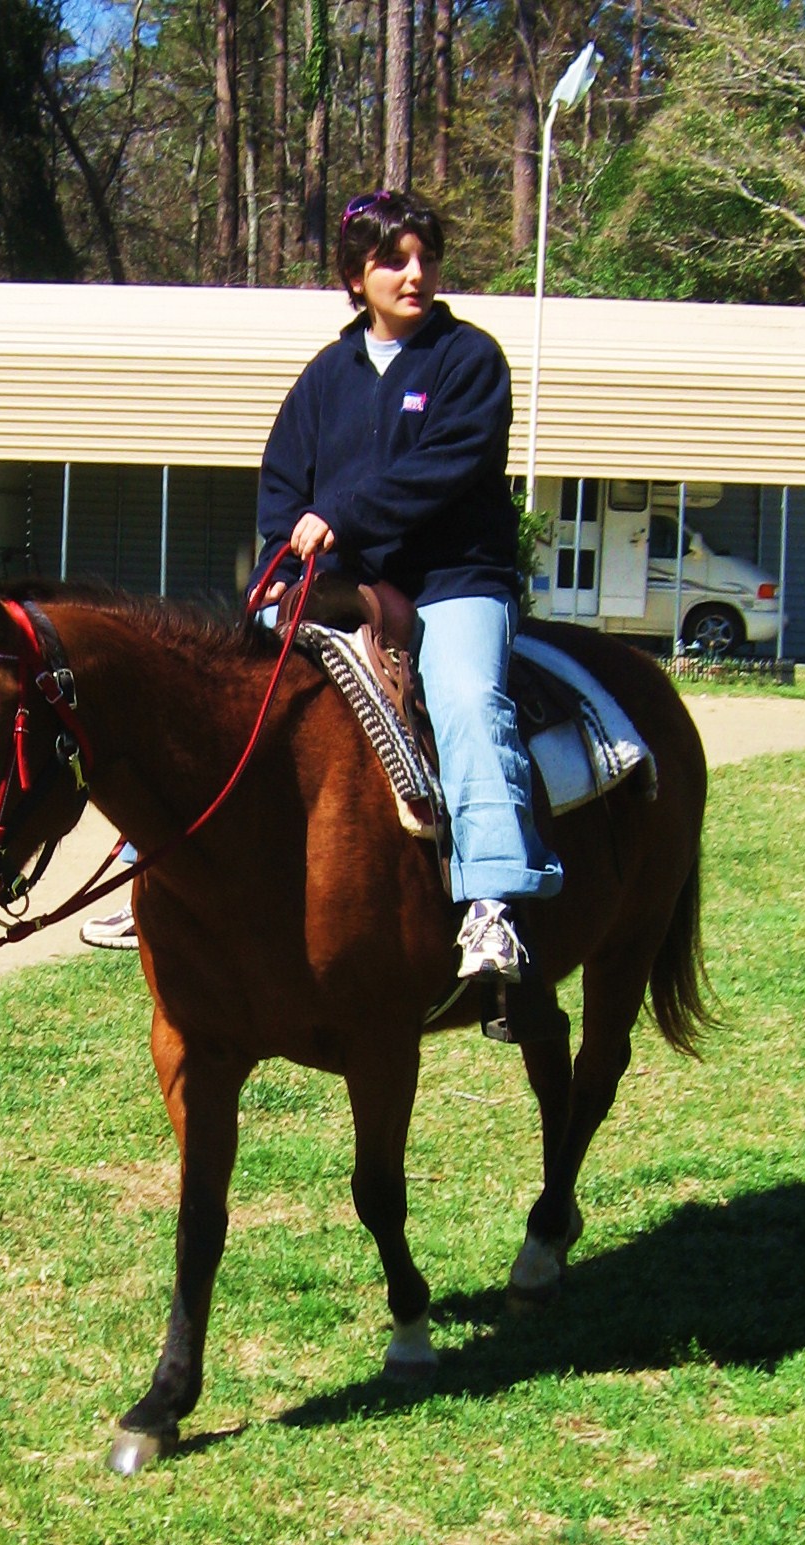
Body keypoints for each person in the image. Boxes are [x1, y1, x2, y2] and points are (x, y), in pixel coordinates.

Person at [249, 188, 561, 984]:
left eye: (425, 258)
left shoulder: (469, 360)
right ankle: (154, 865)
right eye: (393, 260)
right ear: (356, 277)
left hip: (453, 581)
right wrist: (282, 561)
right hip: (345, 580)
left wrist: (340, 517)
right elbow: (282, 484)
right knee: (229, 678)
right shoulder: (325, 376)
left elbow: (444, 468)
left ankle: (493, 902)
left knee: (465, 699)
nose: (414, 274)